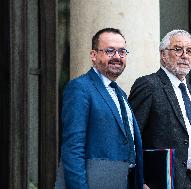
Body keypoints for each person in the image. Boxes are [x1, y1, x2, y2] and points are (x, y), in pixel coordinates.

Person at [54, 28, 144, 189]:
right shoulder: (80, 88)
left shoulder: (120, 94)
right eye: (110, 51)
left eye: (122, 52)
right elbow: (73, 149)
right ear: (93, 56)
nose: (117, 57)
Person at [128, 30, 191, 189]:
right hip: (161, 181)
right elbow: (131, 136)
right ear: (163, 54)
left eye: (189, 51)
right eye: (178, 49)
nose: (184, 55)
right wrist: (139, 181)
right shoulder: (149, 85)